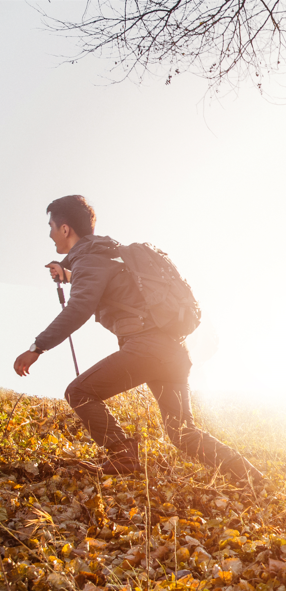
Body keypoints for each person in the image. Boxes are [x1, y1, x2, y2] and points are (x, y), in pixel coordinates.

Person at [12, 195, 263, 490]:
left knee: (79, 392)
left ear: (65, 229)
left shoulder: (90, 260)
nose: (50, 234)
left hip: (146, 348)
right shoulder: (107, 253)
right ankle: (253, 479)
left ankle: (124, 455)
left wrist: (37, 348)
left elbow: (78, 308)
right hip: (172, 349)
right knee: (183, 433)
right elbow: (106, 282)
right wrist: (67, 274)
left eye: (52, 226)